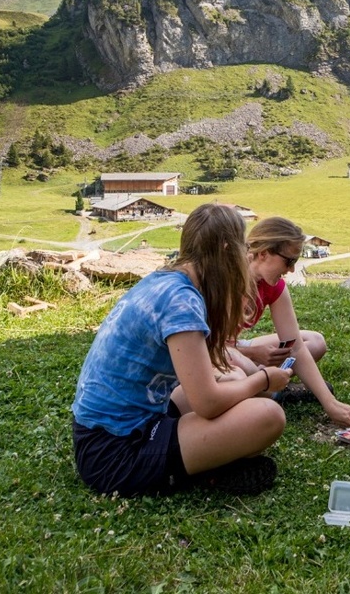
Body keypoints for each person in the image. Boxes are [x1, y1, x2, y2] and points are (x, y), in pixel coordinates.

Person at [71, 203, 289, 498]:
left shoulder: (167, 280)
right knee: (268, 416)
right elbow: (208, 404)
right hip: (116, 453)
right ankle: (201, 471)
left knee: (233, 380)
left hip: (113, 428)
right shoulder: (180, 301)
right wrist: (262, 381)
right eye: (242, 247)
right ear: (227, 249)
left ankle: (205, 458)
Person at [229, 216, 350, 431]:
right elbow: (204, 344)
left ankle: (268, 384)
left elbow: (294, 345)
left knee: (314, 341)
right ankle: (270, 388)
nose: (292, 270)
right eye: (289, 261)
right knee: (244, 369)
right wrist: (252, 353)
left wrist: (329, 403)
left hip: (236, 346)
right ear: (264, 253)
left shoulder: (274, 286)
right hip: (216, 351)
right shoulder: (227, 280)